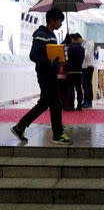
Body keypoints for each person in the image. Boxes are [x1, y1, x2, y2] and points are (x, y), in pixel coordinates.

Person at [10, 8, 73, 145]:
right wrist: (49, 62)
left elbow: (52, 53)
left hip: (51, 73)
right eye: (59, 21)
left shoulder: (52, 35)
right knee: (55, 104)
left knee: (44, 103)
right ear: (52, 20)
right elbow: (33, 55)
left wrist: (64, 44)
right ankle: (58, 135)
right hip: (45, 75)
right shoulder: (40, 34)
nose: (61, 24)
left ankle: (20, 127)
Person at [66, 33, 85, 111]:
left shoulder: (68, 48)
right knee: (79, 89)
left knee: (71, 89)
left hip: (70, 70)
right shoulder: (82, 48)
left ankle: (71, 106)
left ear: (73, 39)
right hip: (79, 71)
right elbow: (82, 59)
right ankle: (79, 105)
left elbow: (66, 59)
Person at [81, 37, 95, 108]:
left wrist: (79, 56)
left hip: (88, 67)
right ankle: (86, 100)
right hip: (85, 67)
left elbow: (87, 55)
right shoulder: (85, 44)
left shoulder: (88, 44)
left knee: (87, 85)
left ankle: (89, 102)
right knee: (85, 85)